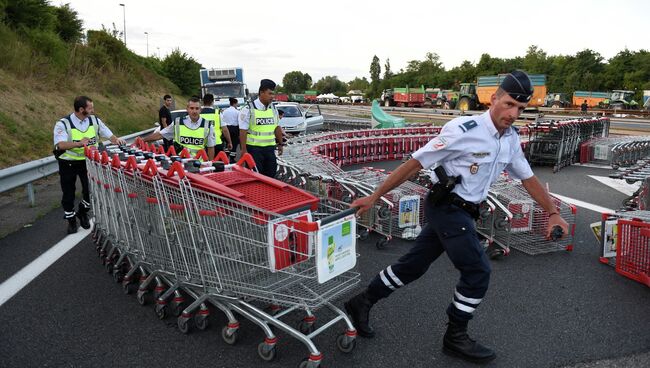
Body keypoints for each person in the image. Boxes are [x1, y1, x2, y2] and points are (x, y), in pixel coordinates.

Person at [343, 71, 570, 364]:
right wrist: (375, 196)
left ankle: (361, 302)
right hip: (447, 208)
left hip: (466, 212)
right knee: (477, 272)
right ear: (494, 98)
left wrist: (552, 212)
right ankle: (455, 336)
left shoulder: (510, 139)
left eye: (521, 109)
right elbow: (415, 163)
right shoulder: (463, 129)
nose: (514, 114)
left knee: (413, 265)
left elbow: (527, 178)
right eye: (510, 104)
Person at [53, 96, 126, 234]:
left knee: (91, 190)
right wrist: (78, 143)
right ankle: (71, 220)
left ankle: (82, 212)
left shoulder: (94, 120)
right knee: (68, 193)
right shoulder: (63, 124)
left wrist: (117, 140)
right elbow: (60, 144)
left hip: (89, 162)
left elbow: (109, 135)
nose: (93, 110)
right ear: (81, 110)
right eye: (90, 108)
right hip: (68, 163)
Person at [142, 97, 217, 160]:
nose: (194, 111)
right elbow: (161, 134)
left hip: (199, 164)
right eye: (191, 108)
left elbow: (211, 147)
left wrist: (209, 165)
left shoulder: (208, 125)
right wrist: (143, 140)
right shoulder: (178, 122)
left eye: (197, 108)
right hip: (180, 162)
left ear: (200, 110)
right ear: (187, 109)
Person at [238, 79, 283, 177]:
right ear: (261, 92)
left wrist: (280, 143)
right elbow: (243, 131)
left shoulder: (273, 109)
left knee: (271, 176)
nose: (272, 96)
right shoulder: (248, 109)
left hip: (270, 149)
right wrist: (243, 150)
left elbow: (277, 127)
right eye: (269, 93)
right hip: (254, 150)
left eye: (273, 94)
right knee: (256, 177)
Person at [222, 97, 241, 162]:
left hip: (227, 128)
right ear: (235, 103)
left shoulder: (225, 111)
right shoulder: (237, 112)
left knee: (227, 142)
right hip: (235, 129)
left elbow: (223, 120)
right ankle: (232, 159)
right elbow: (239, 121)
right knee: (234, 143)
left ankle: (226, 156)